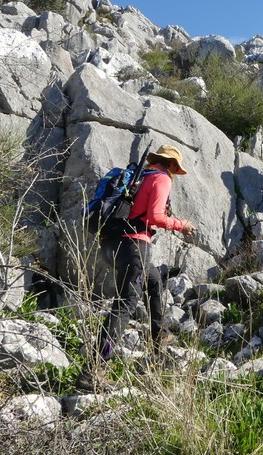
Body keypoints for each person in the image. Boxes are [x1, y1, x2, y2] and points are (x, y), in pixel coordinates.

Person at [78, 144, 196, 390]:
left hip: (110, 244)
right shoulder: (162, 179)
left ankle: (159, 336)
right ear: (172, 165)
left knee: (153, 280)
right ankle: (94, 370)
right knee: (125, 305)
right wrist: (181, 224)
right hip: (134, 246)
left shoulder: (139, 177)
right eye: (176, 167)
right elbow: (156, 217)